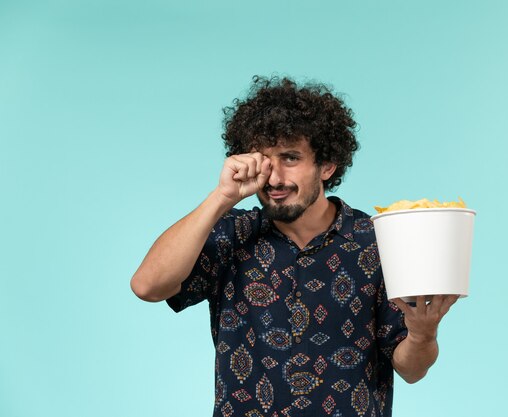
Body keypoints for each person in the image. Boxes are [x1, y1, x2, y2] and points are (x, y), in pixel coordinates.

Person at [130, 76, 458, 417]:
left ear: (327, 165)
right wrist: (221, 198)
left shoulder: (376, 241)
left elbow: (411, 369)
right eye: (264, 160)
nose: (273, 178)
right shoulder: (232, 233)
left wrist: (422, 333)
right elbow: (147, 286)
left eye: (290, 158)